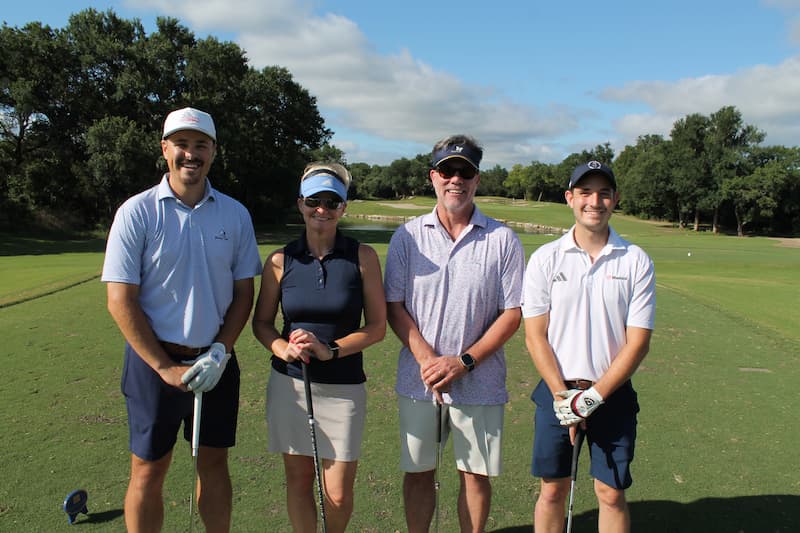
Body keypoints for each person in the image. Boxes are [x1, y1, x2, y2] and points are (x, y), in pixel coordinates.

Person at [101, 107, 262, 533]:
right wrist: (163, 367)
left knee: (213, 463)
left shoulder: (235, 214)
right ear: (165, 149)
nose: (191, 154)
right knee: (148, 469)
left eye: (200, 145)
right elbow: (120, 300)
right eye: (182, 144)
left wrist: (221, 350)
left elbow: (244, 293)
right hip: (152, 363)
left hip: (215, 360)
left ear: (213, 152)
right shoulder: (137, 212)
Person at [384, 135, 525, 533]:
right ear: (434, 176)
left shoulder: (502, 239)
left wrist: (463, 362)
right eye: (447, 170)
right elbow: (394, 305)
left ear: (477, 178)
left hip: (481, 382)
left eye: (465, 171)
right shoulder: (407, 237)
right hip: (419, 379)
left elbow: (512, 313)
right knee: (418, 473)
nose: (455, 179)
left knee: (475, 477)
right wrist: (429, 360)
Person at [522, 161, 656, 533]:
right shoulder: (546, 258)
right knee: (552, 490)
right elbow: (535, 336)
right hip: (556, 392)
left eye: (603, 193)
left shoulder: (636, 260)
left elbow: (638, 342)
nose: (594, 202)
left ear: (615, 199)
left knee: (610, 493)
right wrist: (564, 398)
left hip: (612, 394)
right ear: (570, 198)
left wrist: (593, 398)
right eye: (585, 192)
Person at [252, 162, 386, 533]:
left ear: (343, 207)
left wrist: (332, 349)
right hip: (291, 386)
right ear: (301, 203)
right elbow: (261, 323)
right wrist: (282, 348)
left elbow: (377, 327)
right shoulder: (280, 260)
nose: (322, 210)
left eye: (331, 202)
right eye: (314, 201)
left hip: (344, 387)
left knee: (337, 494)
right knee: (298, 482)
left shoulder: (363, 257)